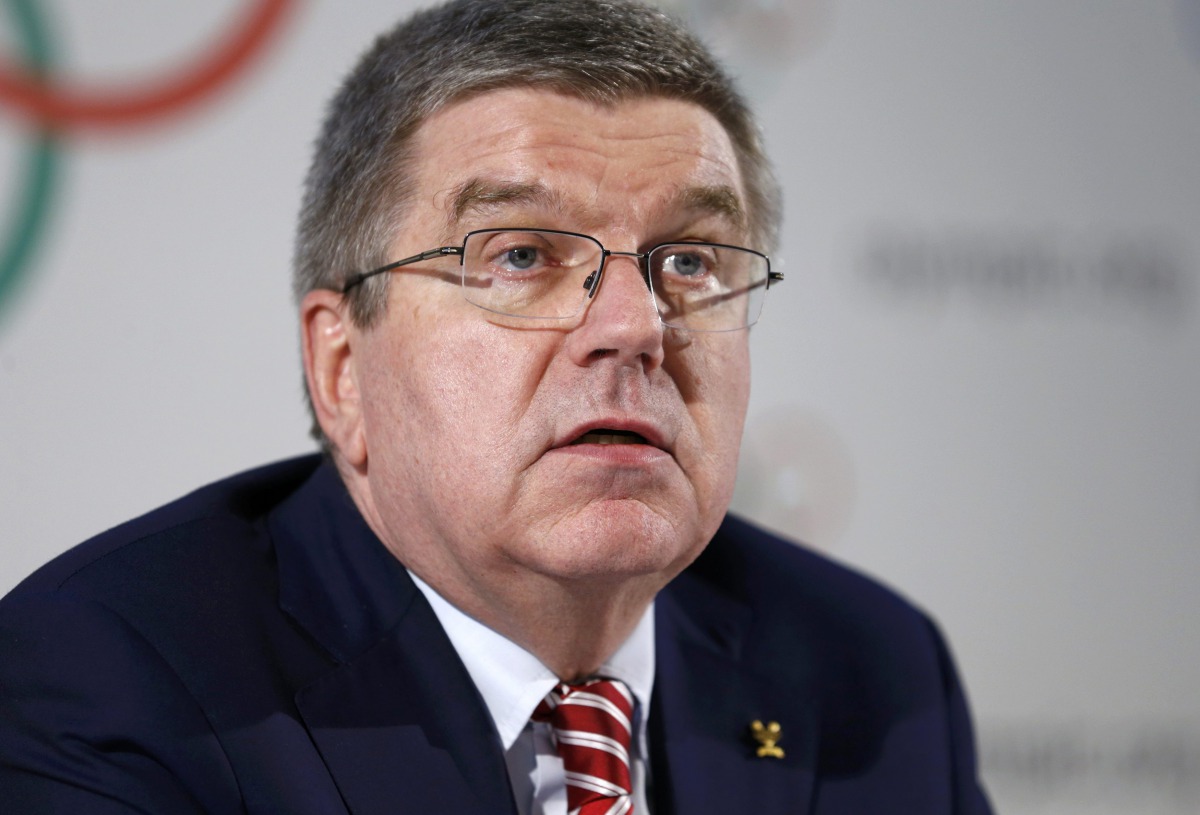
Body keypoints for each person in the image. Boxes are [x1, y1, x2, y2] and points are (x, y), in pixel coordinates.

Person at [0, 1, 993, 812]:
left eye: (689, 262)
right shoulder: (112, 682)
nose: (636, 326)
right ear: (341, 367)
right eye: (522, 255)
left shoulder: (874, 676)